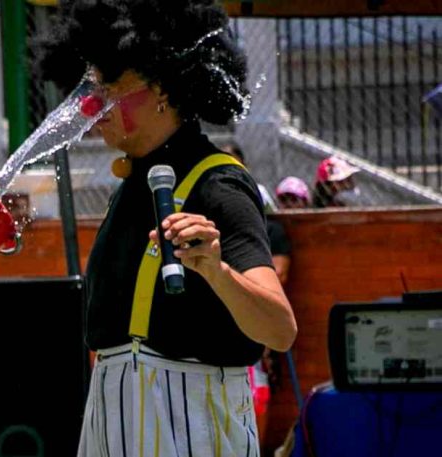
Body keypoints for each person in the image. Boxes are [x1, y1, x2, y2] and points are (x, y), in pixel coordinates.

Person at [36, 2, 297, 456]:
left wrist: (217, 271)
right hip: (115, 414)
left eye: (112, 87)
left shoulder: (219, 184)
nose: (95, 106)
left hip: (189, 422)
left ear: (162, 91)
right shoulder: (135, 181)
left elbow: (280, 328)